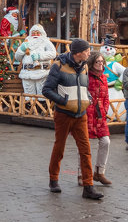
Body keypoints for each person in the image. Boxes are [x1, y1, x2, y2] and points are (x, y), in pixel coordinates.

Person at [41, 38, 102, 200]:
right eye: (87, 50)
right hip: (63, 114)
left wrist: (87, 98)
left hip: (80, 115)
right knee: (59, 148)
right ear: (78, 53)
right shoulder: (58, 66)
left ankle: (88, 186)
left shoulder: (84, 67)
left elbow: (85, 87)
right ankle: (53, 179)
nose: (89, 53)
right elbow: (46, 90)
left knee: (86, 150)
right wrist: (64, 101)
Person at [85, 51, 113, 186]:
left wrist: (105, 109)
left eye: (102, 61)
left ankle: (99, 172)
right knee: (85, 145)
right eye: (98, 62)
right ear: (92, 63)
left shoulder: (104, 78)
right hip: (88, 114)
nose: (101, 64)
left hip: (100, 115)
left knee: (105, 141)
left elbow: (106, 96)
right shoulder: (85, 77)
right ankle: (82, 174)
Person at [12, 24, 57, 96]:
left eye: (37, 32)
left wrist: (39, 56)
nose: (35, 34)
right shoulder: (26, 42)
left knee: (42, 94)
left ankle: (40, 106)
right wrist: (21, 50)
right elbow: (18, 57)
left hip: (41, 72)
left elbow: (53, 53)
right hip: (27, 72)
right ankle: (29, 106)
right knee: (28, 95)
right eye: (33, 32)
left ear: (41, 33)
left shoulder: (45, 41)